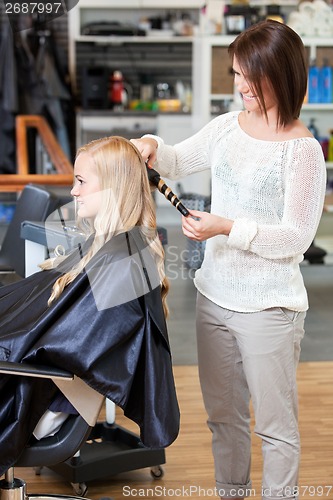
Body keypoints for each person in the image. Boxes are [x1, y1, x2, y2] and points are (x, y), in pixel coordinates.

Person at [131, 20, 327, 500]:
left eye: (249, 76)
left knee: (276, 430)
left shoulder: (303, 151)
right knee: (224, 418)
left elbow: (296, 238)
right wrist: (153, 145)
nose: (239, 85)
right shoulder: (226, 127)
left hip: (269, 309)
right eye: (236, 74)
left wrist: (226, 227)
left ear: (280, 74)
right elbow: (176, 159)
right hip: (214, 297)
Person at [0, 136, 180, 476]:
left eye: (82, 181)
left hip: (35, 401)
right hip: (38, 386)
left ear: (112, 187)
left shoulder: (120, 262)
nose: (73, 192)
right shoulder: (114, 249)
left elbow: (67, 346)